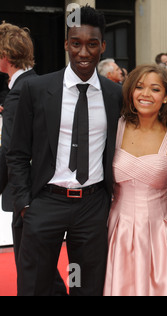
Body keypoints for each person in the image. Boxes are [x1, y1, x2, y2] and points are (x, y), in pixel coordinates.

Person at [6, 6, 123, 296]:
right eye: (76, 43)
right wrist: (25, 204)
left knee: (85, 286)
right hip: (45, 202)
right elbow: (17, 151)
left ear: (103, 47)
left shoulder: (114, 94)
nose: (84, 52)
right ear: (66, 44)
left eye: (92, 44)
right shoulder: (37, 90)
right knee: (35, 286)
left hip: (93, 206)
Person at [0, 21, 67, 296]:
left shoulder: (20, 94)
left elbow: (9, 152)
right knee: (43, 268)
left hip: (26, 196)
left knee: (33, 271)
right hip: (44, 192)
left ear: (5, 55)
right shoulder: (41, 85)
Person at [104, 64, 167, 296]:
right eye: (139, 87)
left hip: (158, 232)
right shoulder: (115, 128)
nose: (146, 94)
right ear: (130, 92)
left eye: (155, 89)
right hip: (118, 228)